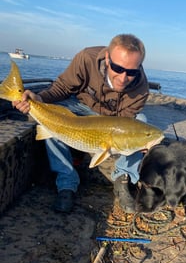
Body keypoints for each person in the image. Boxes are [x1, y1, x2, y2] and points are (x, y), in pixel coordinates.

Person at [13, 34, 149, 213]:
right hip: (81, 106)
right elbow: (62, 87)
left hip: (112, 118)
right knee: (53, 121)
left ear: (139, 67)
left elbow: (124, 123)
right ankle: (66, 182)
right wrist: (39, 98)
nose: (123, 78)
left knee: (142, 121)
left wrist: (137, 144)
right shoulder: (86, 58)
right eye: (117, 68)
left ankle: (123, 177)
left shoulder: (141, 89)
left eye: (131, 72)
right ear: (107, 59)